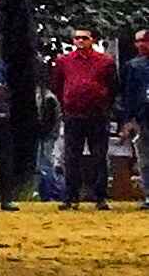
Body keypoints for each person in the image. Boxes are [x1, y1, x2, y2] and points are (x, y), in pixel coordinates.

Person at [54, 28, 116, 207]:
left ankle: (100, 197)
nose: (80, 41)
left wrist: (104, 103)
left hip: (98, 115)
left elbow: (113, 86)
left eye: (84, 38)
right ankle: (71, 197)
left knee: (99, 156)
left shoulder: (105, 62)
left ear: (93, 40)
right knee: (71, 156)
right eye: (77, 38)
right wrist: (67, 102)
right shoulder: (64, 61)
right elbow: (58, 84)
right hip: (73, 114)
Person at [123, 31, 149, 207]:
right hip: (143, 118)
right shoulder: (133, 66)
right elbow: (128, 94)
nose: (141, 44)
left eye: (145, 41)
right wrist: (128, 119)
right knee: (145, 159)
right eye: (138, 41)